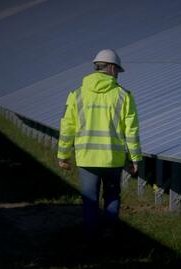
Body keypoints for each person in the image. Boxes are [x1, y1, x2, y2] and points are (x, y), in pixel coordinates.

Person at [57, 49, 142, 239]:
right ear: (111, 68)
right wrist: (134, 159)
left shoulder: (76, 94)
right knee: (111, 197)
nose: (118, 75)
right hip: (113, 160)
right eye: (118, 71)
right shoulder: (124, 96)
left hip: (87, 159)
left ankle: (90, 236)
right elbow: (132, 131)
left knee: (90, 200)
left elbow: (67, 126)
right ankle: (110, 233)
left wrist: (63, 155)